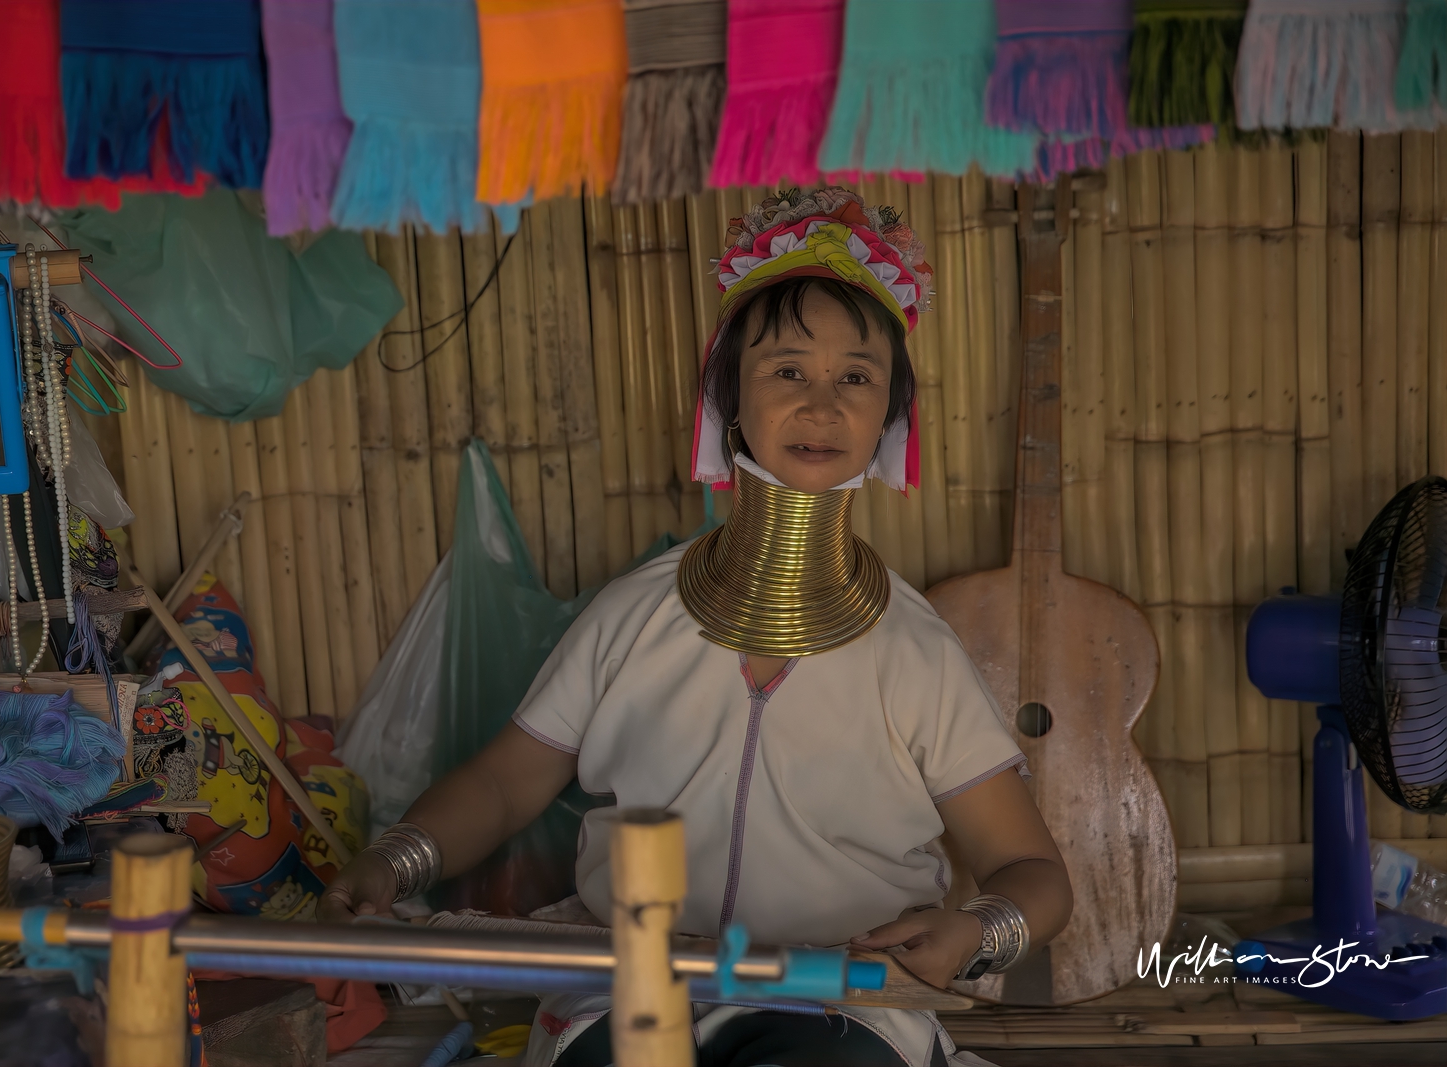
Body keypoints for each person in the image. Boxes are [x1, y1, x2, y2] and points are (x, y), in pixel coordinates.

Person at [320, 187, 1073, 1067]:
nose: (822, 404)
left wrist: (975, 932)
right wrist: (391, 862)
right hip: (628, 983)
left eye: (856, 377)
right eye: (787, 369)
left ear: (890, 419)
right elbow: (502, 785)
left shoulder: (913, 649)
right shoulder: (635, 615)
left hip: (839, 1001)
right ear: (727, 397)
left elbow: (1035, 874)